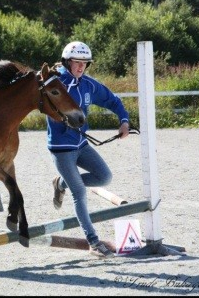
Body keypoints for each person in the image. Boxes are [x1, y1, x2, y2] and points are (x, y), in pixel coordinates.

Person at [47, 41, 130, 258]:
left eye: (85, 63)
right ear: (67, 62)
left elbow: (112, 100)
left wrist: (124, 121)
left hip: (82, 145)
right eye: (77, 62)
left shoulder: (89, 85)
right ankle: (93, 241)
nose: (81, 66)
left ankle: (61, 182)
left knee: (104, 177)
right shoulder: (54, 83)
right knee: (80, 193)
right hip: (62, 148)